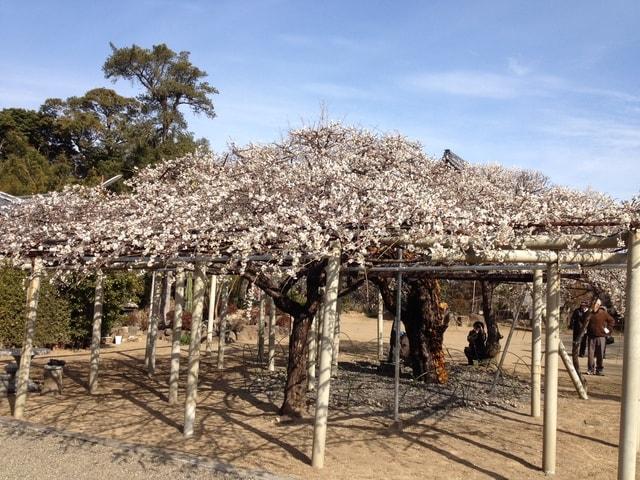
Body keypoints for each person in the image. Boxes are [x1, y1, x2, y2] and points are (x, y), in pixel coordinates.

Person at [586, 298, 615, 376]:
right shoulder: (589, 313)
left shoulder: (603, 313)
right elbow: (583, 320)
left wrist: (608, 330)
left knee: (600, 354)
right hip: (591, 336)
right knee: (590, 354)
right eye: (594, 304)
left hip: (601, 336)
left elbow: (611, 321)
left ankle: (599, 369)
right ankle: (591, 369)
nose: (595, 305)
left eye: (597, 304)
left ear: (599, 305)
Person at [570, 300, 591, 375]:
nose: (583, 306)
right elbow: (573, 318)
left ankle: (582, 353)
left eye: (584, 305)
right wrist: (572, 325)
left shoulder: (588, 312)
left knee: (583, 341)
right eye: (582, 305)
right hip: (577, 328)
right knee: (575, 340)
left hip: (584, 329)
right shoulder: (577, 311)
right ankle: (574, 351)